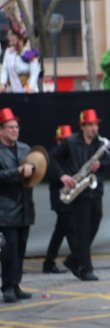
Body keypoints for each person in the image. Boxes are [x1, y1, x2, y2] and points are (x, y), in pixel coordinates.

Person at [50, 109, 110, 281]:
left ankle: (73, 259)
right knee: (83, 230)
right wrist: (63, 175)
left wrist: (100, 164)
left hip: (95, 190)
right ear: (83, 126)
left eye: (96, 125)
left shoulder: (101, 143)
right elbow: (53, 157)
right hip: (79, 192)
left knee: (94, 224)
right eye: (91, 125)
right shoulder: (70, 142)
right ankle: (86, 268)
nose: (95, 128)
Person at [0, 108, 35, 303]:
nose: (15, 130)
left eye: (16, 127)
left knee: (20, 250)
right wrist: (18, 172)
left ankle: (16, 284)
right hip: (4, 211)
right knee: (8, 251)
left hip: (24, 209)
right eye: (11, 127)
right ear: (1, 130)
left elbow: (36, 169)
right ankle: (7, 287)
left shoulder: (25, 149)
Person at [42, 125, 73, 274]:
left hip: (68, 198)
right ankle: (78, 260)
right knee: (70, 229)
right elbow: (52, 177)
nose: (64, 143)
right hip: (59, 198)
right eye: (62, 141)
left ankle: (48, 262)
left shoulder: (69, 156)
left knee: (60, 231)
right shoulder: (54, 157)